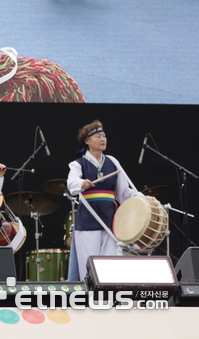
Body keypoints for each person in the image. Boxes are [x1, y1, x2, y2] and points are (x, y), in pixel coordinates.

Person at [66, 120, 139, 280]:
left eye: (104, 136)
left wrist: (142, 199)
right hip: (88, 221)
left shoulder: (113, 162)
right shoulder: (78, 164)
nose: (103, 139)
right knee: (89, 265)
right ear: (87, 140)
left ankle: (109, 299)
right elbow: (72, 184)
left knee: (109, 265)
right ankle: (90, 300)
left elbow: (123, 192)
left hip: (110, 220)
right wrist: (82, 183)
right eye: (98, 136)